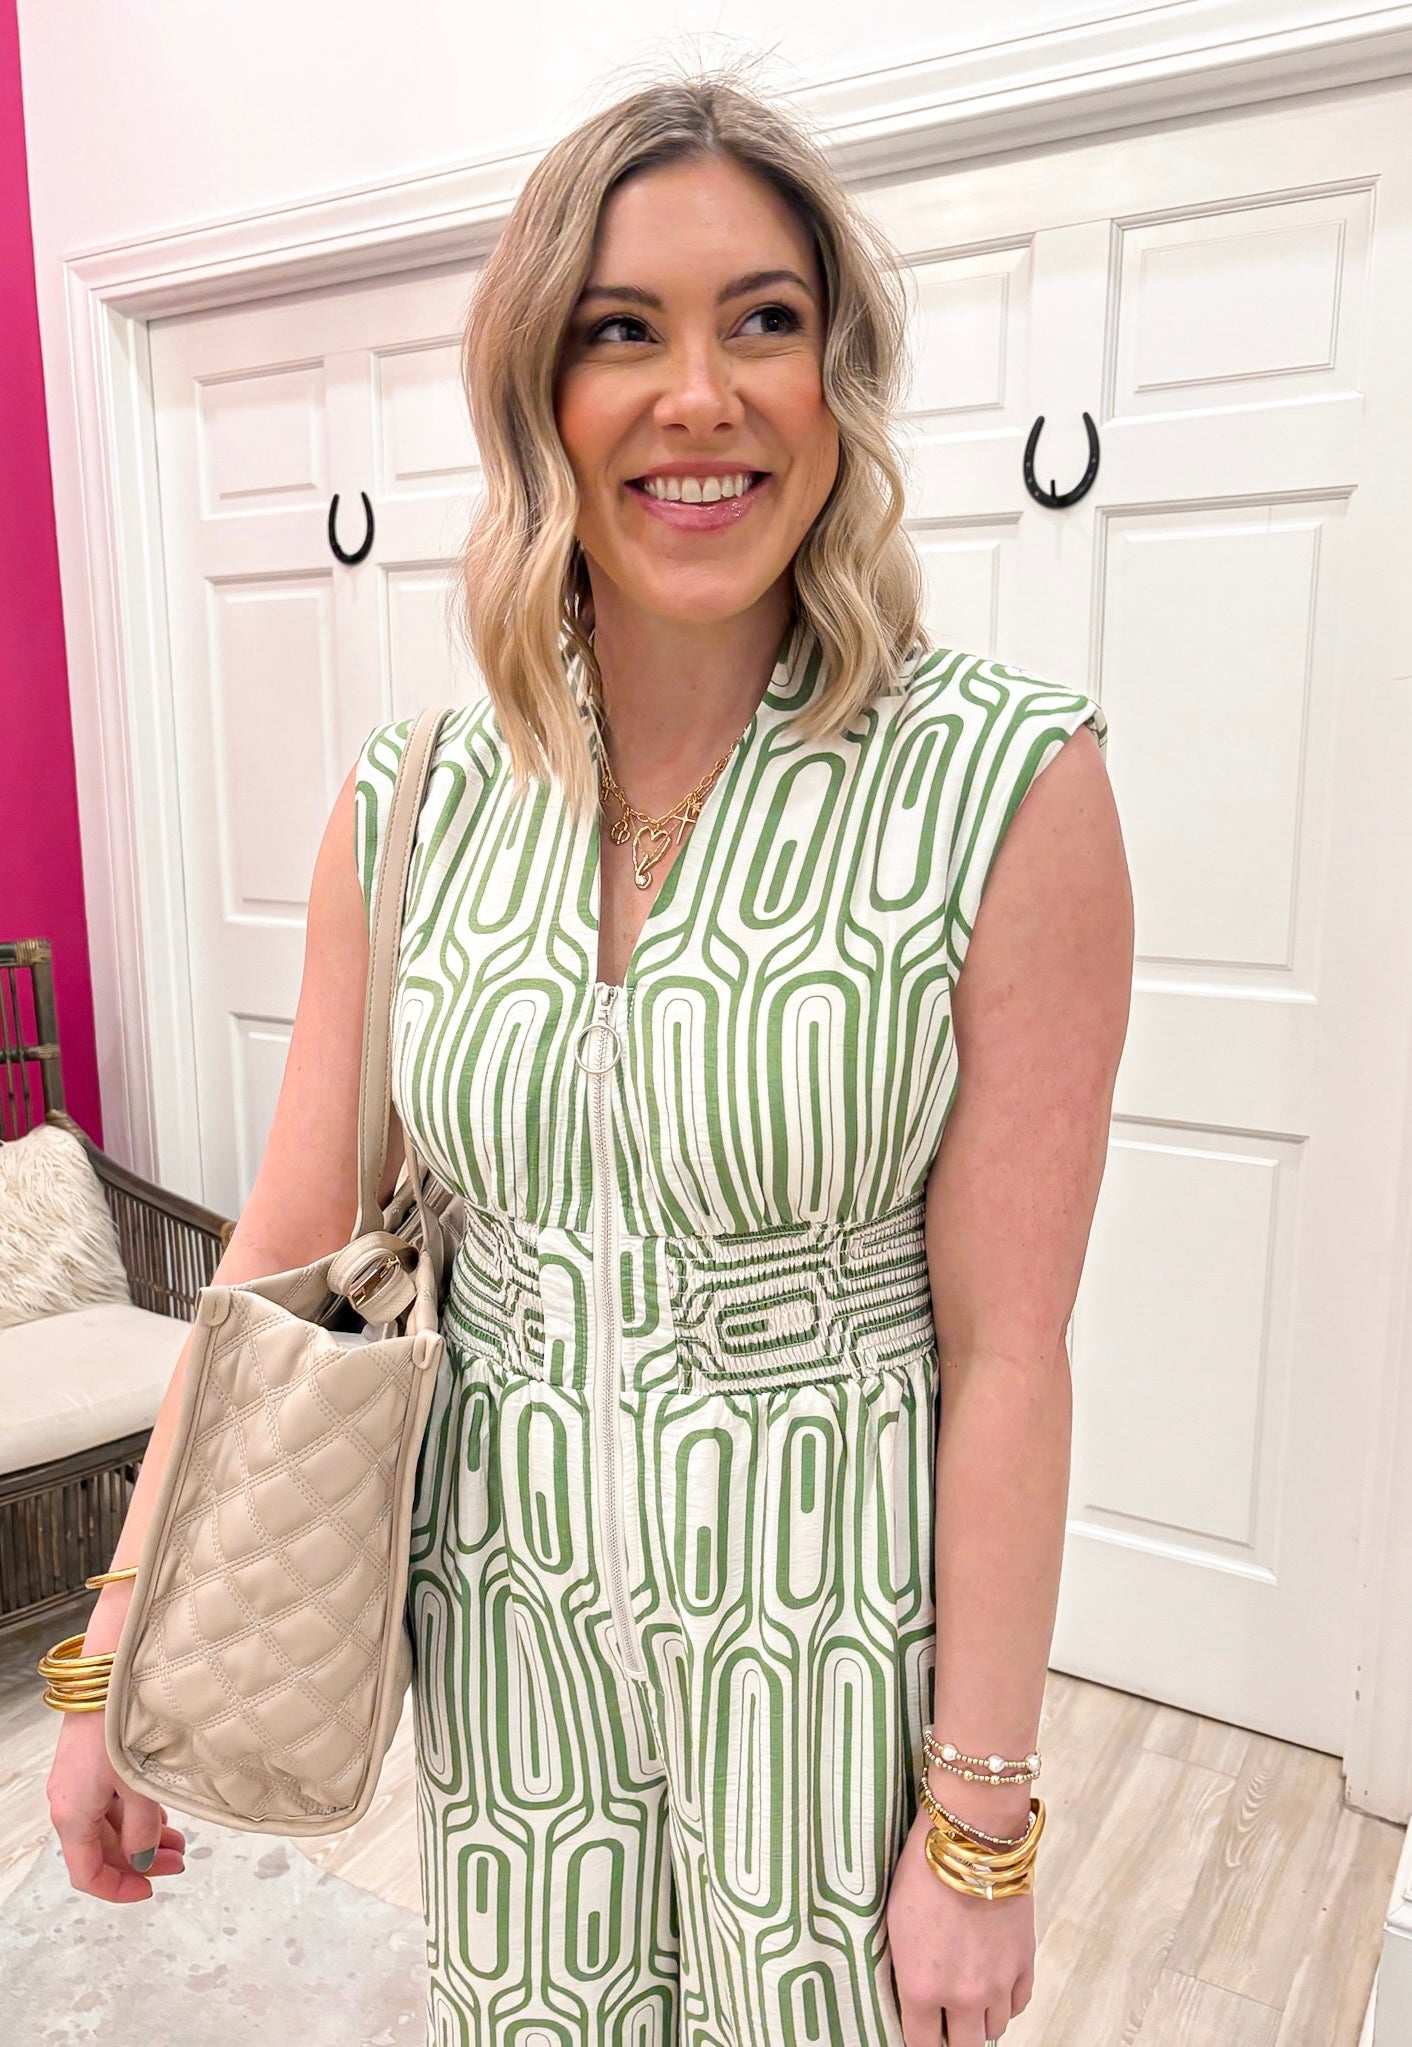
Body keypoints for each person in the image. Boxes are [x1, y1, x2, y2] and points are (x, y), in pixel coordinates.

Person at [44, 60, 1132, 2047]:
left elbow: (1010, 1351)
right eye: (621, 330)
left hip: (830, 1656)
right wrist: (121, 1648)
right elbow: (278, 1249)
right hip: (512, 1642)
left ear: (834, 380)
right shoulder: (417, 797)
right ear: (537, 391)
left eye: (762, 322)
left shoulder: (1001, 782)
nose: (696, 395)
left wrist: (979, 1826)